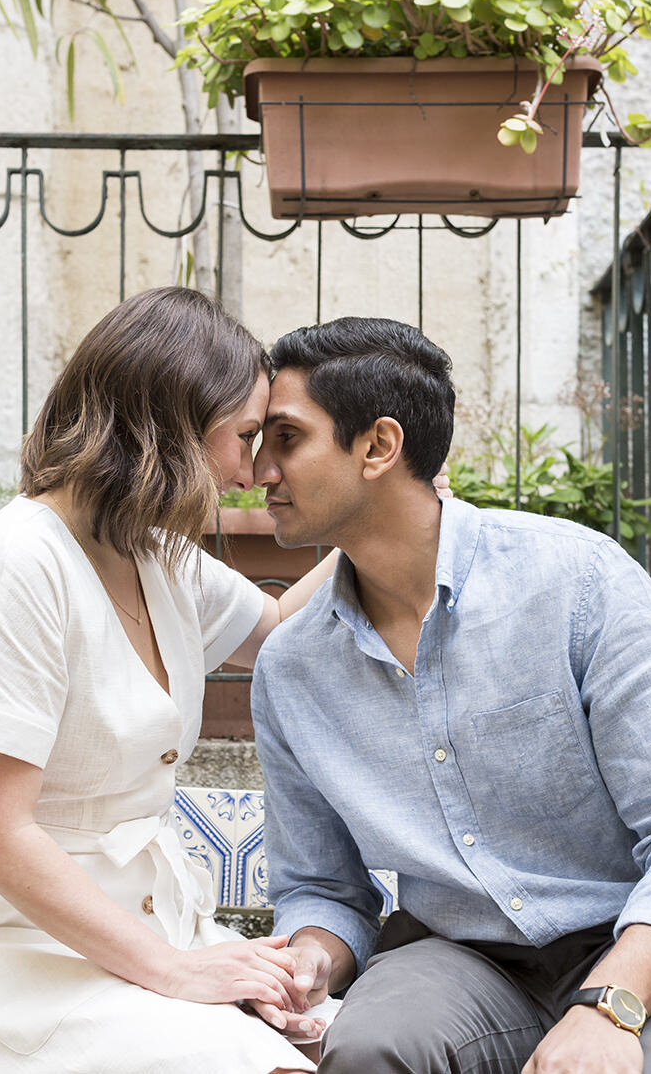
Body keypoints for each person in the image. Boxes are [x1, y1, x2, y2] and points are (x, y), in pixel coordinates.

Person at [0, 286, 348, 1073]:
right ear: (172, 421)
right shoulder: (16, 564)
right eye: (245, 435)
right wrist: (179, 973)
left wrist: (365, 519)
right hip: (24, 959)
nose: (251, 470)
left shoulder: (155, 555)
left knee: (362, 1040)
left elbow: (279, 635)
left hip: (157, 933)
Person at [250, 316, 651, 1073]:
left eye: (287, 439)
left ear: (378, 446)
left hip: (630, 942)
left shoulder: (579, 586)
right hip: (458, 960)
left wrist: (611, 1010)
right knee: (370, 1049)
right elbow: (322, 888)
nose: (259, 471)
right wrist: (309, 960)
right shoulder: (293, 668)